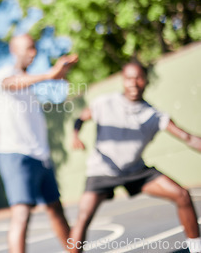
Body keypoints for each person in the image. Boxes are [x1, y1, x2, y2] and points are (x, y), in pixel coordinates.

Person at [68, 61, 201, 253]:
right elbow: (81, 117)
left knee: (182, 195)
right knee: (83, 217)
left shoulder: (154, 116)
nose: (134, 83)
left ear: (146, 81)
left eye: (138, 78)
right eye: (129, 78)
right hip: (102, 171)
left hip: (135, 171)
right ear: (123, 81)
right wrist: (75, 135)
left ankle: (196, 249)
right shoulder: (104, 103)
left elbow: (188, 138)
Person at [0, 34, 78, 253]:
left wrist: (57, 76)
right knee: (22, 213)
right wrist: (49, 74)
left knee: (56, 210)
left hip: (40, 156)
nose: (33, 53)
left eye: (34, 48)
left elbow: (29, 83)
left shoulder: (28, 83)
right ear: (13, 50)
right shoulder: (4, 74)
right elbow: (9, 84)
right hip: (16, 155)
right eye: (28, 48)